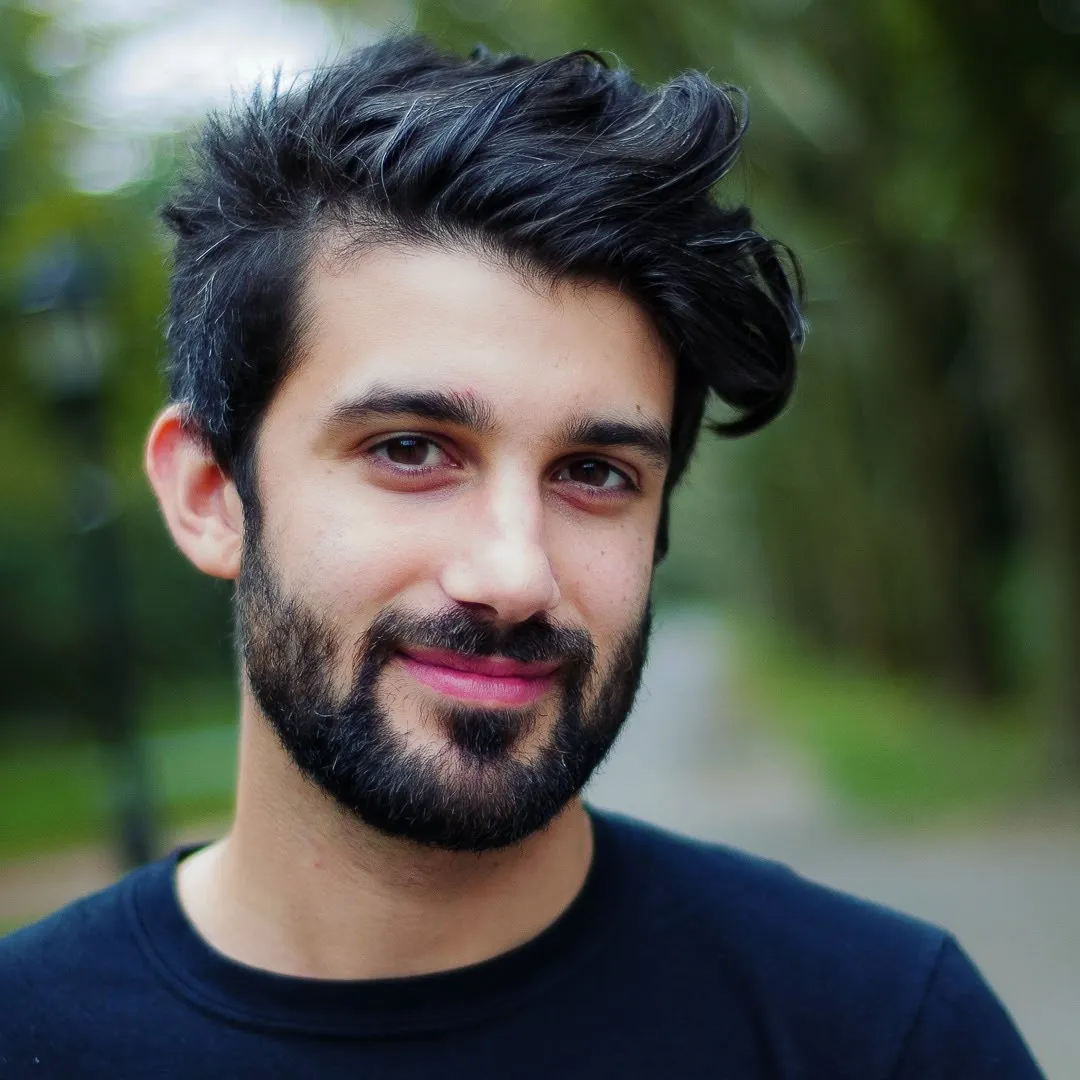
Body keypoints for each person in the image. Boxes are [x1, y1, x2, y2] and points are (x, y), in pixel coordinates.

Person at [0, 35, 1043, 1079]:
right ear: (212, 493)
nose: (513, 575)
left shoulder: (884, 1035)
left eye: (594, 473)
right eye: (409, 450)